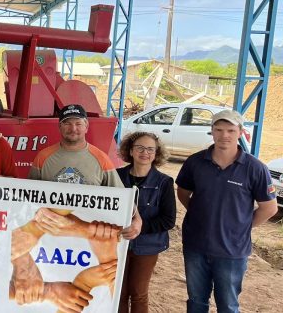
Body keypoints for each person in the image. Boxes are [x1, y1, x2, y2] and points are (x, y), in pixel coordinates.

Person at [176, 110, 278, 313]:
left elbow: (269, 208)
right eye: (219, 129)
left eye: (231, 130)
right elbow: (183, 193)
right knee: (196, 301)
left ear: (240, 132)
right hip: (196, 246)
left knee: (228, 305)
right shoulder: (195, 162)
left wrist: (241, 227)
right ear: (212, 131)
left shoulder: (255, 168)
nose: (225, 135)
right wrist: (200, 214)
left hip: (232, 252)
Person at [28, 104, 142, 239]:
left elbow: (121, 197)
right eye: (67, 124)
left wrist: (137, 220)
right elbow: (28, 195)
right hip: (50, 234)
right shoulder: (43, 157)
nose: (73, 129)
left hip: (86, 235)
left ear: (86, 127)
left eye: (78, 123)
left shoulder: (101, 159)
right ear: (59, 127)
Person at [116, 132, 176, 313]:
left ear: (156, 153)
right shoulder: (116, 177)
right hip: (118, 245)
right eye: (140, 148)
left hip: (148, 247)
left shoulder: (164, 182)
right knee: (119, 292)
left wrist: (140, 227)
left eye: (150, 149)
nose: (145, 152)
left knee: (138, 293)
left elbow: (168, 220)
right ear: (131, 151)